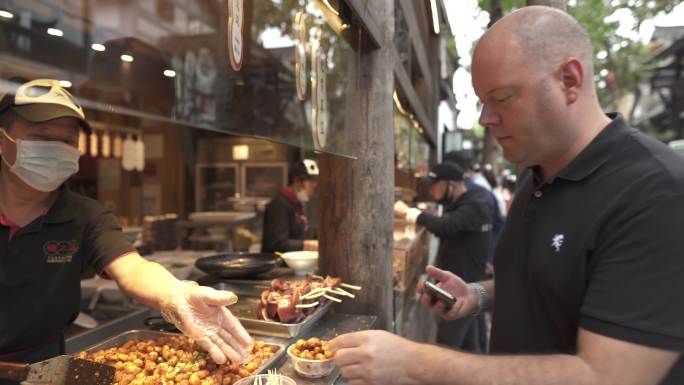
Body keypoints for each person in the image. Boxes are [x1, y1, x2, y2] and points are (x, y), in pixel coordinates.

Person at [329, 6, 684, 385]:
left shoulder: (655, 191)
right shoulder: (535, 176)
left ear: (570, 79)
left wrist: (415, 361)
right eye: (483, 101)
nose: (485, 118)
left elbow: (606, 376)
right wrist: (477, 295)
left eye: (501, 98)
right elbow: (556, 281)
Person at [0, 79, 253, 375]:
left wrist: (175, 292)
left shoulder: (84, 214)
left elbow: (131, 268)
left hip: (43, 365)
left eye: (67, 141)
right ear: (3, 139)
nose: (56, 149)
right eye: (41, 138)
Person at [394, 162, 491, 352]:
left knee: (446, 346)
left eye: (434, 184)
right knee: (469, 345)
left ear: (451, 184)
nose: (431, 190)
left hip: (463, 284)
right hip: (464, 282)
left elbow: (446, 226)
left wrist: (408, 212)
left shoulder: (474, 204)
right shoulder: (463, 202)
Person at [261, 159, 319, 253]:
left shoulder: (296, 202)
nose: (314, 186)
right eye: (311, 182)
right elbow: (277, 244)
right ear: (296, 181)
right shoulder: (279, 205)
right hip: (279, 265)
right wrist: (310, 245)